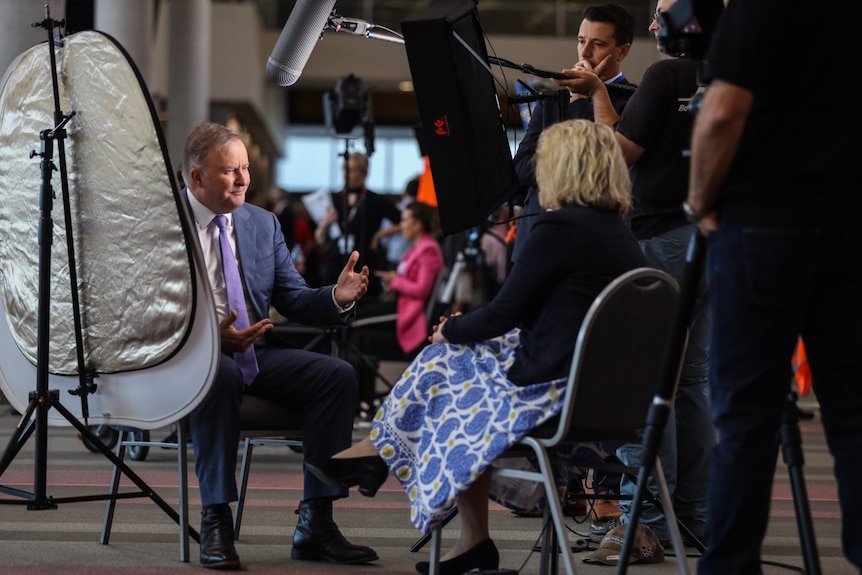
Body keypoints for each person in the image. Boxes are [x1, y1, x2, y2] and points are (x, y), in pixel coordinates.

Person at [308, 119, 648, 574]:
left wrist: (450, 329)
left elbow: (502, 313)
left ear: (565, 170)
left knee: (446, 362)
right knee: (455, 363)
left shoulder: (559, 229)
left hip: (558, 397)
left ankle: (380, 454)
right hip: (613, 400)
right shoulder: (620, 234)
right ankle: (458, 529)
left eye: (542, 167)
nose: (536, 178)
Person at [686, 2, 862, 574]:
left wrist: (700, 200)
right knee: (855, 416)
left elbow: (720, 114)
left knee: (745, 415)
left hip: (765, 222)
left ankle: (732, 564)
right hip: (851, 221)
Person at [181, 122, 376, 570]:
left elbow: (294, 297)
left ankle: (316, 521)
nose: (245, 180)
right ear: (198, 177)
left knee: (337, 375)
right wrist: (209, 335)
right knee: (221, 372)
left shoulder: (262, 222)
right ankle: (216, 519)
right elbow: (143, 305)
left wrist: (335, 296)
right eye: (231, 171)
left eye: (246, 168)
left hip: (257, 352)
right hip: (191, 357)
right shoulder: (166, 222)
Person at [579, 0, 714, 547]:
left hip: (660, 240)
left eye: (663, 11)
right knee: (692, 385)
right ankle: (692, 520)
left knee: (647, 385)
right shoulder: (729, 70)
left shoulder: (664, 74)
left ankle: (648, 526)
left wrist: (595, 96)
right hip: (709, 240)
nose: (655, 22)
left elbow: (616, 153)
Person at [512, 3, 635, 261]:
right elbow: (522, 168)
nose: (585, 52)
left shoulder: (636, 102)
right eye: (581, 41)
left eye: (598, 44)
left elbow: (596, 166)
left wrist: (580, 97)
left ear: (622, 51)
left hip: (590, 245)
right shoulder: (552, 100)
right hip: (534, 238)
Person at [314, 151, 401, 298]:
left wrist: (380, 235)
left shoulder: (376, 200)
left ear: (363, 173)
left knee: (362, 306)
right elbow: (319, 238)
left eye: (353, 170)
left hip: (365, 262)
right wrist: (327, 222)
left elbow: (402, 221)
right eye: (345, 169)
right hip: (336, 263)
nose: (347, 174)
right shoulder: (333, 199)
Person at [374, 200, 445, 357]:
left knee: (355, 317)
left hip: (409, 311)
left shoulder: (428, 248)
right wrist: (393, 280)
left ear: (418, 225)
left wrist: (395, 281)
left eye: (405, 220)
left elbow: (422, 289)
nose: (401, 225)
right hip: (400, 303)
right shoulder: (417, 246)